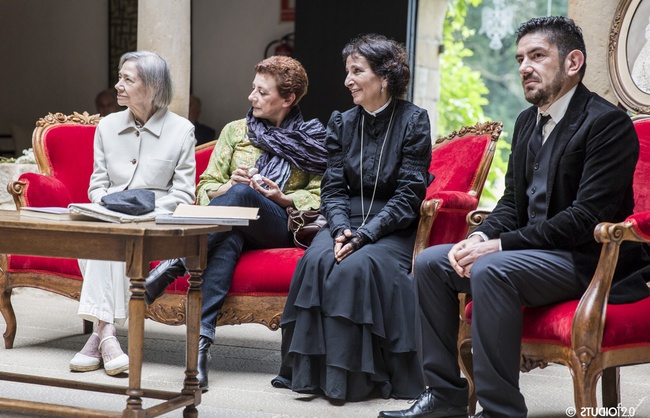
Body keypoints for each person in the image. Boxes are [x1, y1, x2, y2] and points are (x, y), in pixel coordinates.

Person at [379, 16, 650, 418]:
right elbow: (511, 203)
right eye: (520, 58)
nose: (524, 67)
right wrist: (478, 237)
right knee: (432, 262)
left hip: (586, 262)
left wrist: (499, 245)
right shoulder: (527, 122)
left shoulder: (606, 124)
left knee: (492, 269)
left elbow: (584, 218)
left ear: (573, 62)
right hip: (532, 257)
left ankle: (499, 409)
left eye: (537, 56)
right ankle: (444, 396)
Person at [143, 55, 328, 391]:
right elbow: (205, 187)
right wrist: (227, 187)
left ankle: (176, 261)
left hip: (278, 226)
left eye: (261, 92)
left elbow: (320, 197)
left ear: (288, 99)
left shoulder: (314, 139)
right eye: (252, 88)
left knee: (244, 197)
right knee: (229, 233)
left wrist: (282, 197)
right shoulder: (235, 131)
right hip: (229, 224)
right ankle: (199, 355)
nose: (251, 97)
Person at [273, 33, 432, 402]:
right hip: (345, 219)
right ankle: (308, 375)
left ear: (385, 76)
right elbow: (332, 189)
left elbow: (410, 194)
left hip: (392, 226)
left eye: (356, 71)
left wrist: (365, 235)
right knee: (315, 259)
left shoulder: (414, 121)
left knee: (353, 268)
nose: (347, 81)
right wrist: (343, 228)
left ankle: (351, 381)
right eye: (347, 71)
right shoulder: (341, 122)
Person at [70, 51, 196, 376]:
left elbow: (184, 194)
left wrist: (143, 212)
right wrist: (110, 206)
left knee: (107, 241)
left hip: (152, 223)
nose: (118, 85)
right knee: (101, 237)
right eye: (120, 77)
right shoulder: (107, 126)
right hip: (109, 217)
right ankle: (108, 335)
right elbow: (96, 186)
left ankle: (99, 337)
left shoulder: (181, 131)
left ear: (152, 86)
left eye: (128, 79)